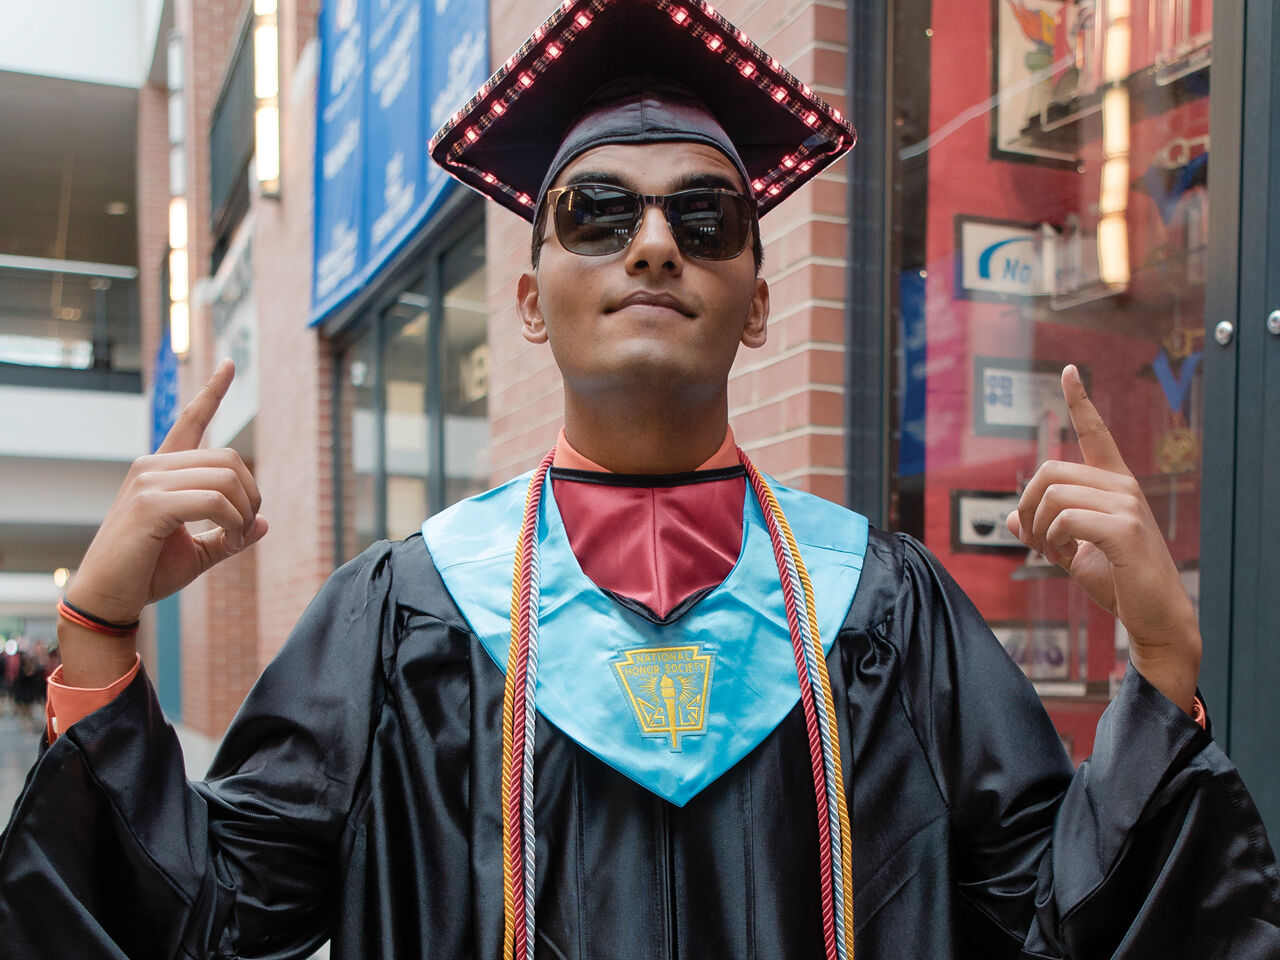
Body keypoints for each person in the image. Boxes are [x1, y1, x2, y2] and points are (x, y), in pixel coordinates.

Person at [2, 1, 1278, 957]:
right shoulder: (400, 616)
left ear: (761, 303)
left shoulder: (885, 608)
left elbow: (1060, 920)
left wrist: (1161, 664)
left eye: (705, 218)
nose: (655, 244)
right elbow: (209, 920)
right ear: (529, 303)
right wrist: (101, 635)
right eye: (598, 213)